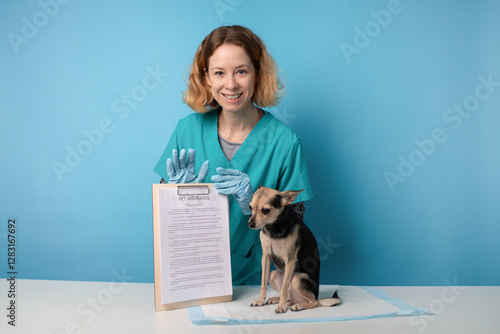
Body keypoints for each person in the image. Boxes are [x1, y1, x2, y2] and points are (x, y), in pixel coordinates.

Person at [153, 25, 313, 285]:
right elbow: (164, 220)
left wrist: (254, 203)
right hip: (192, 277)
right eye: (219, 73)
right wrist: (178, 196)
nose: (231, 84)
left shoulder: (285, 142)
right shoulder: (187, 130)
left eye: (241, 71)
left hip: (256, 282)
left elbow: (296, 228)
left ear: (257, 74)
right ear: (206, 77)